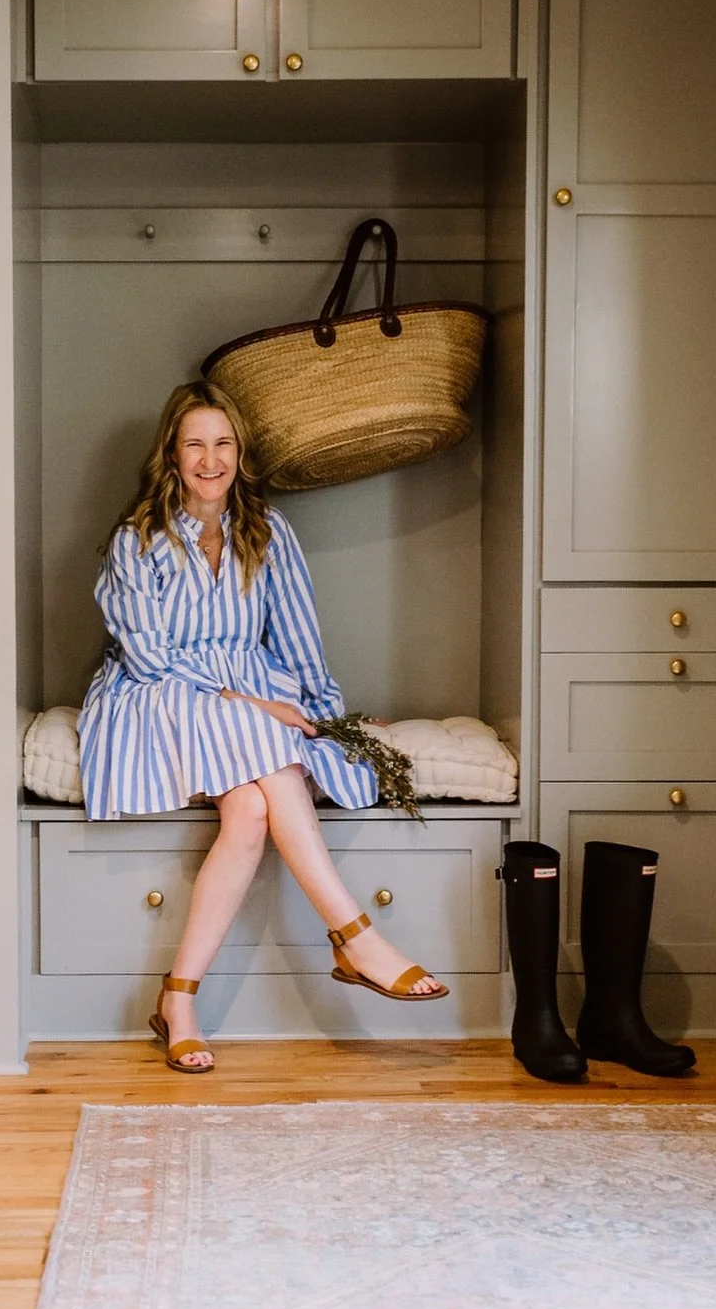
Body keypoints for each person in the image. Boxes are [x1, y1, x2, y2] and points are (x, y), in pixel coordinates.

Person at [78, 380, 447, 1073]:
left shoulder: (269, 531)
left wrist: (329, 716)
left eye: (223, 443)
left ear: (239, 453)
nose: (210, 458)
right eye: (195, 444)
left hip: (246, 694)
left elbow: (300, 640)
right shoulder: (139, 539)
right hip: (158, 691)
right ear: (173, 454)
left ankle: (177, 1001)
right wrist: (252, 704)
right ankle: (354, 934)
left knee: (249, 808)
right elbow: (149, 654)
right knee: (269, 750)